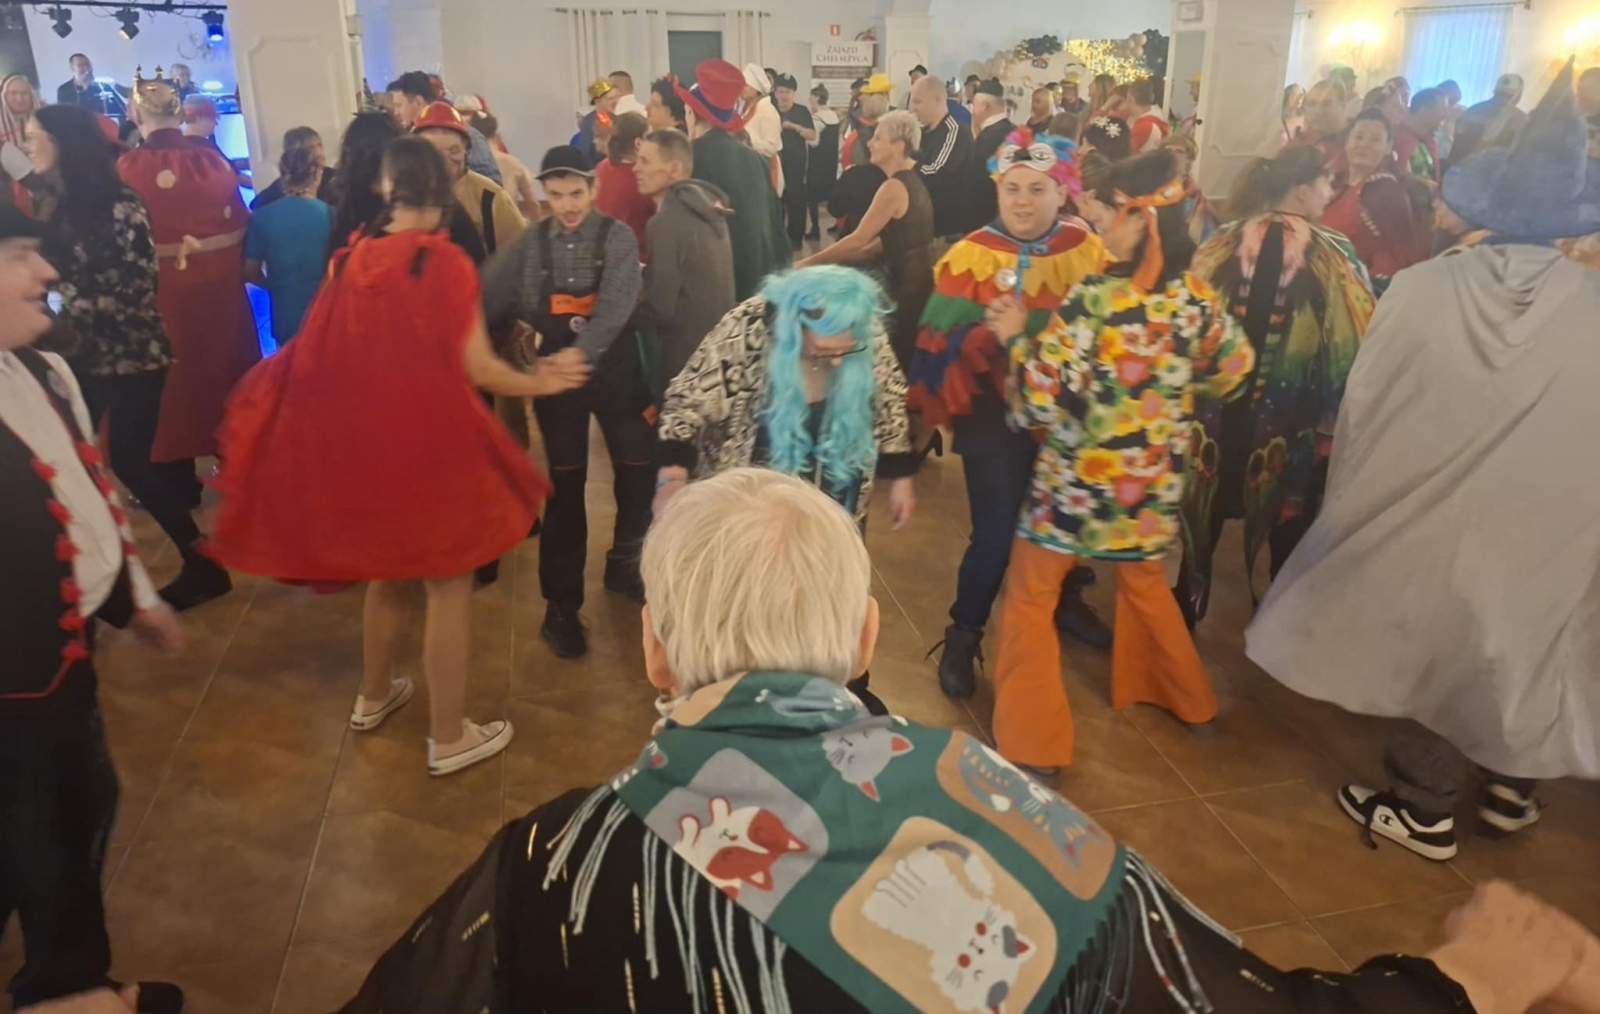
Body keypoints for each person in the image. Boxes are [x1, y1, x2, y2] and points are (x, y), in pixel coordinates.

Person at [336, 466, 1600, 1014]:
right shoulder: (1002, 815)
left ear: (659, 654)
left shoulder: (544, 863)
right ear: (862, 638)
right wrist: (1457, 983)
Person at [1246, 63, 1600, 864]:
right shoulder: (1591, 305)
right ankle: (1511, 788)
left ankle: (1424, 805)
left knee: (1433, 641)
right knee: (1523, 638)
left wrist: (1360, 493)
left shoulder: (1423, 289)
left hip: (1433, 503)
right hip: (1553, 517)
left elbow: (1367, 405)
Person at [209, 137, 585, 777]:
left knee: (387, 571)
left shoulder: (353, 257)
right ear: (441, 190)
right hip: (434, 445)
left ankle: (374, 694)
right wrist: (541, 381)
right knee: (447, 584)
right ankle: (449, 735)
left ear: (386, 190)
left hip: (372, 445)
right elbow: (479, 367)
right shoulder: (445, 264)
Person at [989, 150, 1253, 776]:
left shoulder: (1094, 299)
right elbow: (1234, 372)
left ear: (1142, 219)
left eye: (1110, 211)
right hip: (1151, 484)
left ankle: (1033, 745)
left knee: (1030, 595)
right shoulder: (1195, 298)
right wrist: (1172, 392)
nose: (1099, 222)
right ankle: (1188, 701)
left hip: (1075, 489)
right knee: (1144, 584)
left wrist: (1015, 337)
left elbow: (1041, 400)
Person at [0, 201, 191, 1014]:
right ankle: (65, 990)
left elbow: (86, 496)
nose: (45, 272)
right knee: (42, 827)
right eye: (19, 254)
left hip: (62, 656)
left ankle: (66, 979)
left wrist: (134, 598)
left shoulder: (44, 370)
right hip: (12, 684)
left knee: (79, 804)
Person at [909, 128, 1111, 697]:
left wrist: (1031, 332)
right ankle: (963, 633)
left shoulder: (1086, 248)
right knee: (995, 534)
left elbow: (1105, 329)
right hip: (993, 417)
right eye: (1012, 189)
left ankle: (1064, 600)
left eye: (1037, 189)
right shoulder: (971, 254)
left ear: (1062, 193)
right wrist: (979, 339)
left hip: (1065, 415)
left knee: (1064, 524)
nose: (1022, 202)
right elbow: (935, 344)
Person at [24, 103, 227, 617]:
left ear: (63, 143)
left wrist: (62, 318)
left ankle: (196, 564)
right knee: (77, 461)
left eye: (34, 136)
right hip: (82, 354)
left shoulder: (119, 203)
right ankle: (106, 571)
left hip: (131, 352)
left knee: (126, 462)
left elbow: (138, 287)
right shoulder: (55, 199)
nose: (27, 146)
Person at [1183, 146, 1373, 624]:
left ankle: (1188, 594)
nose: (1330, 192)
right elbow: (1352, 343)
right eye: (1327, 183)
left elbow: (1186, 319)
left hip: (1213, 410)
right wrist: (1336, 417)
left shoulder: (1219, 241)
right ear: (1303, 190)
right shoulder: (1335, 252)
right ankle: (1278, 617)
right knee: (1289, 514)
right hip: (1291, 415)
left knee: (1204, 506)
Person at [481, 145, 655, 658]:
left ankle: (627, 565)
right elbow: (488, 295)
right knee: (564, 489)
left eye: (576, 193)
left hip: (615, 372)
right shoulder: (531, 242)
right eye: (556, 195)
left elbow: (616, 306)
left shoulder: (618, 237)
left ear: (593, 190)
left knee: (637, 474)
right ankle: (559, 606)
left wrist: (577, 354)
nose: (568, 205)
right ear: (544, 194)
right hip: (558, 381)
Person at [117, 69, 258, 609]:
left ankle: (178, 483)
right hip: (217, 298)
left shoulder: (125, 170)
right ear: (180, 113)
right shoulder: (214, 163)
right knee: (222, 377)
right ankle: (241, 473)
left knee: (171, 389)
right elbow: (239, 225)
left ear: (135, 114)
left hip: (163, 301)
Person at [654, 268, 915, 533]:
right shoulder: (748, 325)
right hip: (751, 494)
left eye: (847, 351)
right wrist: (671, 479)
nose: (837, 361)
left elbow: (890, 395)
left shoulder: (860, 322)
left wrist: (901, 475)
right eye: (823, 350)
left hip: (837, 490)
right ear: (795, 326)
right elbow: (685, 401)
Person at [797, 111, 934, 376]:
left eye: (878, 138)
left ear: (898, 146)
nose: (869, 144)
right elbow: (882, 243)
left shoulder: (893, 187)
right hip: (920, 280)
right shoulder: (912, 180)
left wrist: (809, 262)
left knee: (895, 360)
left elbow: (860, 238)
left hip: (905, 286)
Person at [675, 59, 789, 301]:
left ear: (691, 114)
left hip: (717, 282)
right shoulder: (754, 159)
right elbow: (775, 226)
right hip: (758, 280)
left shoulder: (690, 157)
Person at [634, 128, 735, 394]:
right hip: (717, 351)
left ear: (674, 169)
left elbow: (660, 309)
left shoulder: (665, 222)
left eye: (645, 161)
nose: (636, 168)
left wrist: (616, 315)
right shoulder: (709, 208)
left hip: (684, 359)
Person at [1320, 108, 1427, 294]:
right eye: (1358, 137)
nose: (1364, 145)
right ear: (1346, 141)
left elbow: (1397, 256)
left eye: (1375, 140)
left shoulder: (1384, 192)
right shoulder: (1333, 182)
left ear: (1388, 147)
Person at [244, 143, 334, 345]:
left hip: (285, 313)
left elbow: (249, 271)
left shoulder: (262, 216)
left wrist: (274, 286)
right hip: (324, 310)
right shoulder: (330, 214)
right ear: (317, 174)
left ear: (283, 177)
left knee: (288, 363)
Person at [412, 101, 524, 257]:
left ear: (466, 150)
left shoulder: (490, 197)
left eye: (454, 151)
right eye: (434, 152)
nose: (445, 161)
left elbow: (519, 255)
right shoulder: (404, 194)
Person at [386, 71, 503, 185]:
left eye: (399, 106)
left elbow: (491, 185)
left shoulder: (467, 134)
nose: (396, 112)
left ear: (418, 102)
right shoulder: (407, 139)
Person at [908, 73, 974, 239]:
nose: (913, 108)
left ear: (936, 99)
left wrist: (905, 165)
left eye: (918, 102)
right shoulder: (923, 132)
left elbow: (936, 173)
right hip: (924, 224)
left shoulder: (955, 132)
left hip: (945, 230)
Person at [593, 110, 655, 256]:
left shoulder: (601, 167)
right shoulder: (643, 178)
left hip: (603, 251)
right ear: (638, 143)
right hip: (638, 256)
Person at [470, 113, 540, 223]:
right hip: (508, 225)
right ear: (497, 137)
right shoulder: (513, 163)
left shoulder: (466, 162)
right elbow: (532, 203)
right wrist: (537, 228)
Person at [962, 78, 1012, 231]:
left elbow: (977, 186)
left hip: (986, 222)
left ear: (984, 106)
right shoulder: (1015, 132)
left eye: (974, 106)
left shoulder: (986, 139)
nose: (972, 111)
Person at [250, 126, 339, 209]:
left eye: (320, 145)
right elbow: (256, 205)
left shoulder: (337, 178)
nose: (319, 153)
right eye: (311, 148)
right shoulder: (282, 185)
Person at [773, 74, 815, 250]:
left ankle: (796, 237)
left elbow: (812, 135)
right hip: (775, 160)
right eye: (781, 91)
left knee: (795, 199)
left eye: (788, 92)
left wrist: (795, 127)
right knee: (776, 199)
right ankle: (777, 236)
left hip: (795, 162)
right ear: (775, 92)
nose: (784, 95)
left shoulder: (801, 111)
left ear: (794, 93)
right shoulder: (770, 110)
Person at [1450, 73, 1528, 165]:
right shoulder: (1474, 111)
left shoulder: (1520, 119)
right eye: (1500, 94)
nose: (1502, 100)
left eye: (1507, 96)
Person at [1161, 132, 1218, 244]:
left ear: (1189, 159)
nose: (1173, 155)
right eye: (1168, 150)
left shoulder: (1195, 197)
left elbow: (1207, 237)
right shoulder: (1153, 186)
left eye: (1179, 151)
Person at [805, 84, 840, 242]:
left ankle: (815, 229)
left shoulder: (817, 118)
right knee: (831, 193)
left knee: (812, 197)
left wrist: (802, 134)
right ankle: (839, 225)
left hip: (817, 162)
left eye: (811, 97)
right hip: (831, 161)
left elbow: (814, 142)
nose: (809, 100)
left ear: (817, 98)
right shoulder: (834, 116)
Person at [1292, 78, 1351, 172]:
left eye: (1326, 104)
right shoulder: (1300, 141)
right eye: (1311, 104)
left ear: (1343, 106)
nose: (1318, 111)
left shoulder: (1357, 141)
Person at [1395, 87, 1450, 184]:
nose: (1446, 116)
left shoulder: (1430, 140)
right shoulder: (1397, 137)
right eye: (1443, 110)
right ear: (1424, 110)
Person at [55, 54, 128, 120]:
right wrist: (85, 89)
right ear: (72, 68)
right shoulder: (64, 90)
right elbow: (64, 116)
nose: (86, 68)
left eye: (87, 65)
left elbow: (122, 110)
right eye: (80, 65)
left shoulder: (103, 86)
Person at [574, 77, 621, 166]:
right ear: (597, 101)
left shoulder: (615, 118)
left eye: (616, 97)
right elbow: (585, 151)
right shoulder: (591, 122)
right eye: (610, 98)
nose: (616, 102)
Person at [1125, 78, 1169, 153]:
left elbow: (1124, 153)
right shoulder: (1157, 120)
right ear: (1152, 97)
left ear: (1130, 99)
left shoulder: (1144, 126)